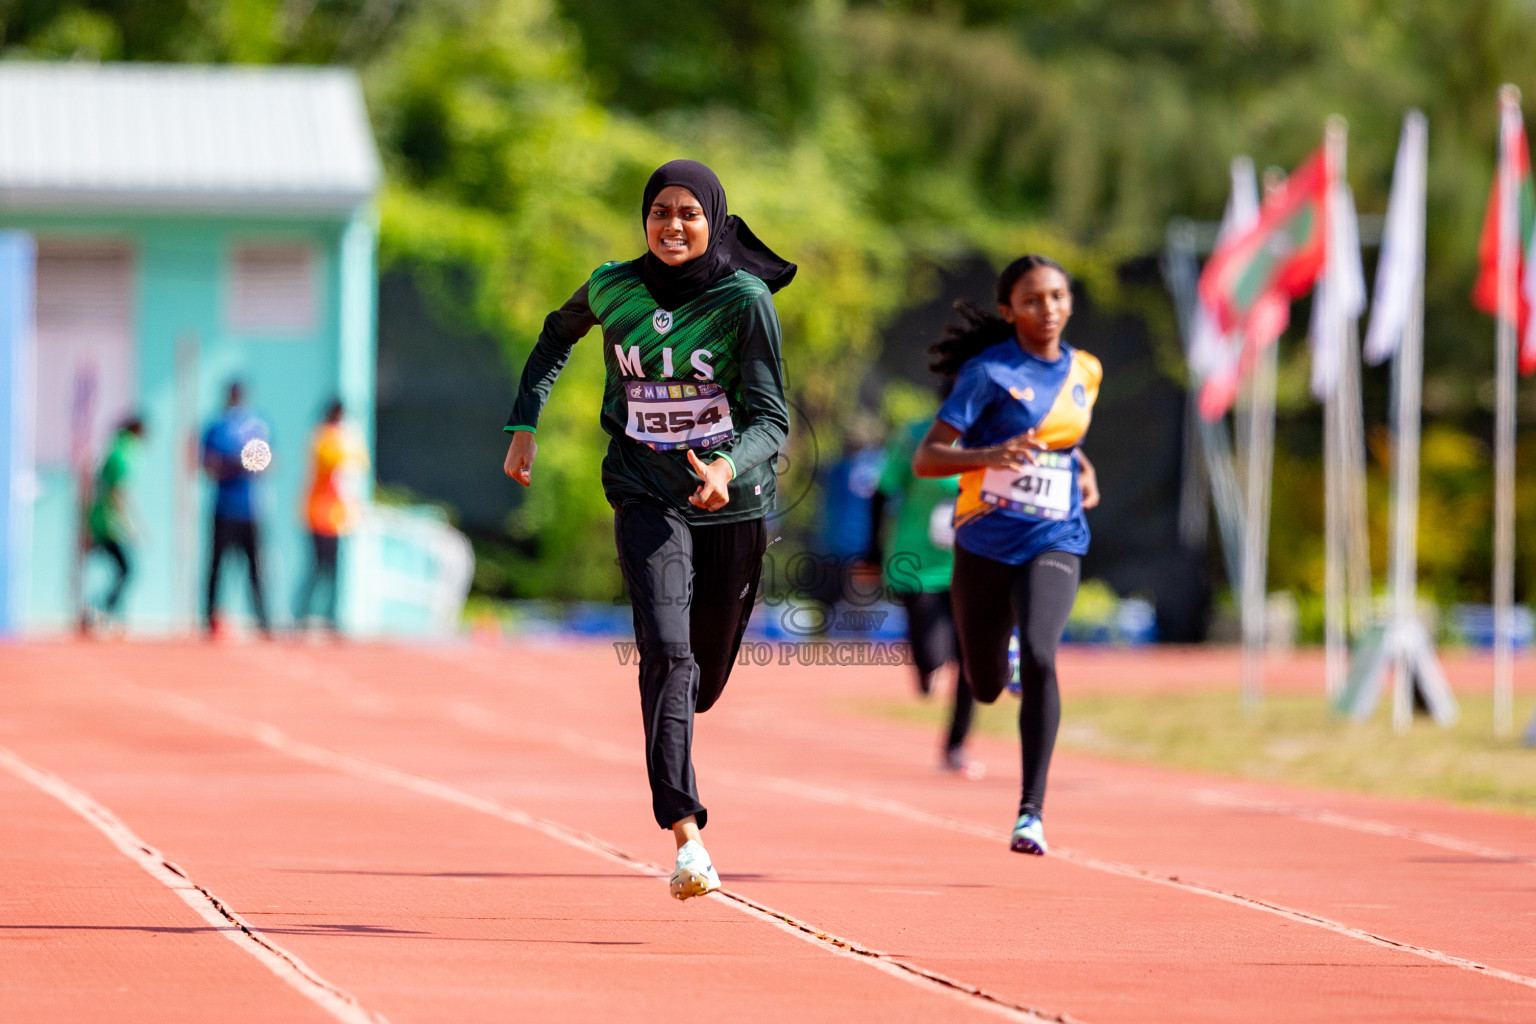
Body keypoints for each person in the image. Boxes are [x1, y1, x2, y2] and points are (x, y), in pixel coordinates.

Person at [502, 159, 794, 900]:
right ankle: (686, 835)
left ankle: (684, 708)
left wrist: (725, 466)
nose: (672, 225)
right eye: (660, 212)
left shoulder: (744, 300)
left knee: (702, 675)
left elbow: (771, 419)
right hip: (644, 489)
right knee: (666, 654)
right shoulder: (611, 286)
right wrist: (524, 421)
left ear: (714, 222)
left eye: (689, 214)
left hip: (733, 500)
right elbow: (553, 334)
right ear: (644, 219)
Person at [912, 254, 1101, 856]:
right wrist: (989, 456)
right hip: (985, 539)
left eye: (1057, 297)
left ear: (1069, 302)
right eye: (1032, 300)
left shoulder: (1088, 371)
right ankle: (1005, 650)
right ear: (1008, 311)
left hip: (1056, 534)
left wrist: (1083, 469)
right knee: (987, 684)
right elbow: (929, 458)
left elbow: (1063, 440)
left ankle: (1031, 813)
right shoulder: (988, 373)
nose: (1047, 309)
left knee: (1044, 654)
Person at [868, 411, 981, 778]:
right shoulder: (916, 434)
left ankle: (956, 745)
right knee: (933, 652)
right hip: (917, 562)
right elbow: (884, 489)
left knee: (970, 660)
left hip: (971, 562)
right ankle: (926, 665)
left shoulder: (992, 436)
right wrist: (871, 548)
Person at [202, 381, 273, 638]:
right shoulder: (216, 427)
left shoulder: (258, 426)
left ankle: (263, 619)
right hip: (223, 508)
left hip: (251, 509)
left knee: (256, 568)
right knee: (216, 566)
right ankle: (208, 618)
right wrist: (230, 464)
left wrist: (250, 464)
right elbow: (206, 465)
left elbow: (270, 462)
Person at [295, 399, 368, 634]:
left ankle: (330, 617)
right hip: (319, 513)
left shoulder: (343, 438)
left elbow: (358, 466)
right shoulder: (323, 438)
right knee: (318, 568)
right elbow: (334, 464)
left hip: (337, 516)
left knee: (333, 569)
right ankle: (304, 614)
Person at [80, 415, 146, 634]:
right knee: (126, 570)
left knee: (120, 570)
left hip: (101, 520)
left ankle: (101, 611)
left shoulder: (116, 449)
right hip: (108, 523)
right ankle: (100, 611)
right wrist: (131, 525)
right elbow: (118, 492)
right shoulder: (123, 453)